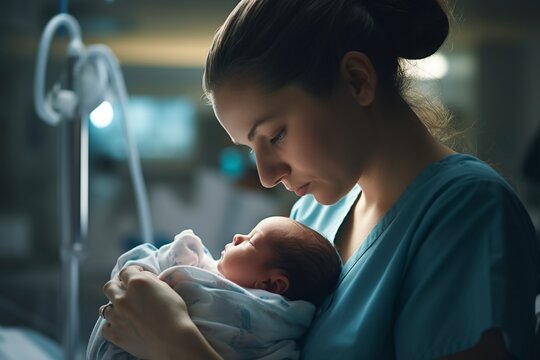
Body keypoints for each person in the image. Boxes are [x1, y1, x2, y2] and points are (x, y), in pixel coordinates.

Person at [98, 0, 540, 359]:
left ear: (356, 81)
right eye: (251, 150)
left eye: (276, 135)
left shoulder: (465, 212)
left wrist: (178, 345)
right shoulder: (313, 215)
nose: (268, 175)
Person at [89, 216, 341, 359]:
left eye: (251, 241)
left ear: (272, 284)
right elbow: (139, 266)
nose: (237, 237)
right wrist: (140, 270)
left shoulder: (279, 333)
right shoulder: (195, 260)